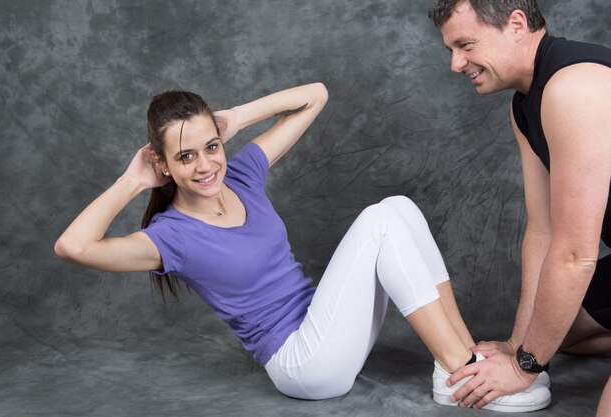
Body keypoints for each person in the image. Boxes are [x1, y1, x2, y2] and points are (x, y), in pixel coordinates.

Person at [54, 83, 549, 411]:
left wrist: (233, 118)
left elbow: (316, 95)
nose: (205, 165)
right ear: (164, 166)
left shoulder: (242, 175)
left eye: (211, 146)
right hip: (301, 364)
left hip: (323, 327)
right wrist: (132, 178)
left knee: (398, 207)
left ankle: (460, 361)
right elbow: (72, 247)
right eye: (185, 157)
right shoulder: (169, 237)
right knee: (380, 222)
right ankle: (465, 376)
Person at [428, 1, 611, 415]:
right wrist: (519, 344)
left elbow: (575, 255)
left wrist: (526, 367)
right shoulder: (525, 105)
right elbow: (543, 231)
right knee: (555, 331)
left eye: (466, 45)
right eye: (450, 50)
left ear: (515, 24)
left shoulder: (575, 87)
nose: (456, 64)